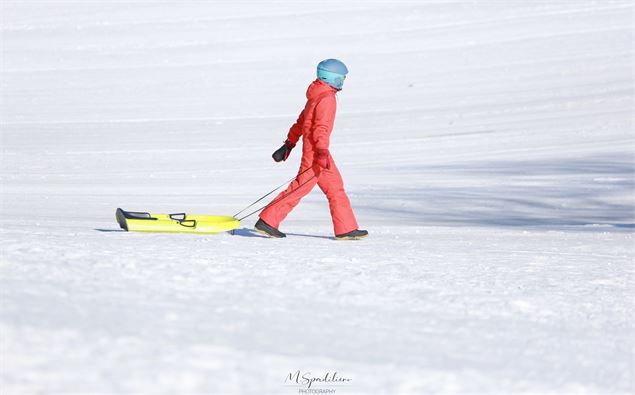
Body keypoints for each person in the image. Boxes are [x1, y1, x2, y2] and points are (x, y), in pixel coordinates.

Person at [255, 59, 368, 240]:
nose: (343, 81)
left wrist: (289, 144)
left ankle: (346, 228)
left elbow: (301, 123)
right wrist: (321, 152)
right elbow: (320, 128)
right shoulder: (327, 98)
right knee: (301, 186)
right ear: (332, 78)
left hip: (317, 149)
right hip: (316, 151)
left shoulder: (316, 95)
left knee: (335, 188)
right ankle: (267, 221)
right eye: (342, 78)